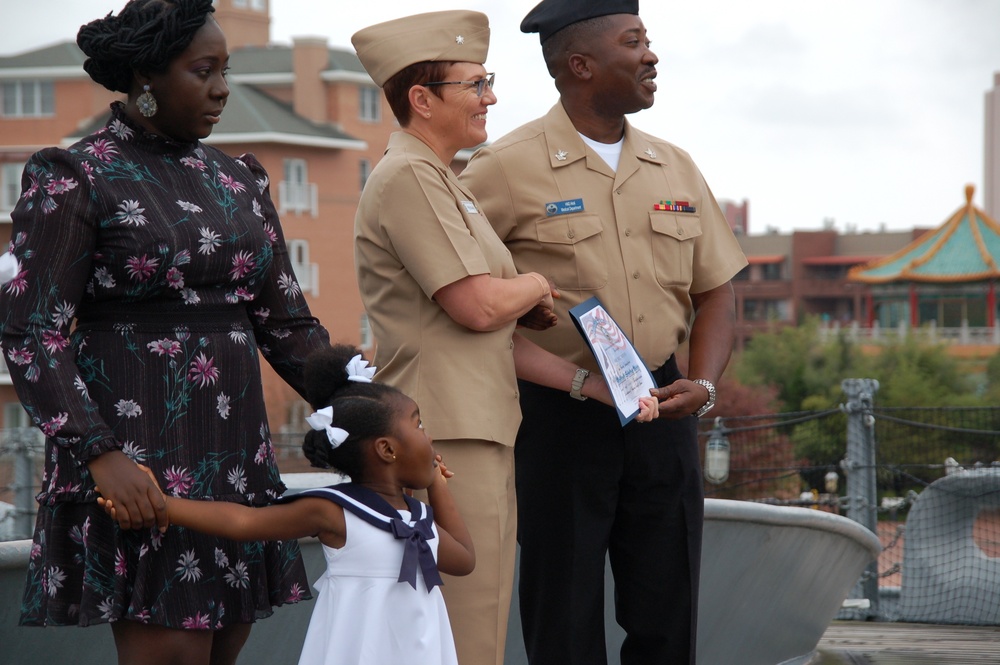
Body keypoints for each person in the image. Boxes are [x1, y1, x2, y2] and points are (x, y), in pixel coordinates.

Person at [0, 1, 331, 663]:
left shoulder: (240, 179)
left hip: (236, 456)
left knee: (222, 648)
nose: (221, 88)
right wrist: (99, 454)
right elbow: (31, 330)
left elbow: (287, 323)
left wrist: (365, 405)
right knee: (174, 650)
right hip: (138, 461)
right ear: (146, 79)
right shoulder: (74, 176)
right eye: (201, 70)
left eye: (224, 70)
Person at [350, 10, 658, 665]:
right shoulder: (410, 177)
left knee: (473, 629)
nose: (490, 97)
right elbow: (478, 307)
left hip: (471, 428)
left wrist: (592, 386)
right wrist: (536, 284)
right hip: (449, 433)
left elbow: (497, 340)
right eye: (475, 84)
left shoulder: (442, 183)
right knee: (465, 635)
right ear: (421, 99)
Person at [459, 1, 749, 663]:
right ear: (581, 65)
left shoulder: (674, 166)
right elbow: (465, 302)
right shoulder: (502, 168)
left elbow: (717, 292)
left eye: (648, 40)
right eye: (634, 42)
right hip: (559, 417)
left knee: (667, 616)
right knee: (564, 616)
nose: (651, 56)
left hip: (662, 405)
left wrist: (702, 386)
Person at [98, 344, 476, 665]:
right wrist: (164, 504)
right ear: (387, 449)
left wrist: (437, 484)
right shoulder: (334, 510)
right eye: (419, 424)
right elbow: (244, 523)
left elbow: (463, 559)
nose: (428, 435)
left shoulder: (418, 519)